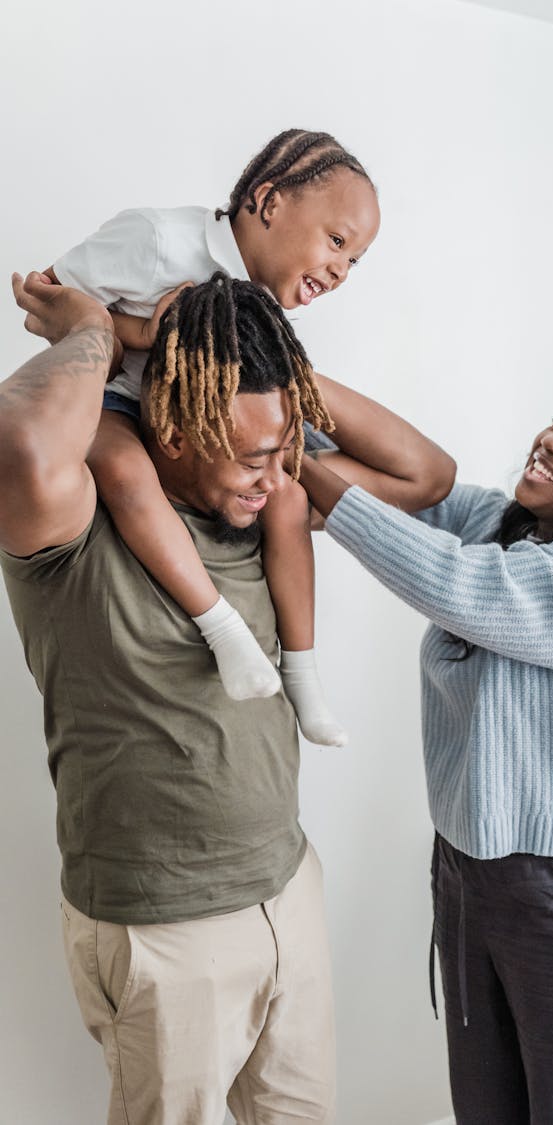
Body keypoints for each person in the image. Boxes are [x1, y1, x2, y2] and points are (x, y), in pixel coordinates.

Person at [0, 270, 456, 1125]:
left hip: (287, 886)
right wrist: (97, 330)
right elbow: (20, 441)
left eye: (285, 448)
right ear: (176, 418)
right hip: (164, 934)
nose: (275, 474)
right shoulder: (72, 518)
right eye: (252, 453)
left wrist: (272, 371)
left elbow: (425, 474)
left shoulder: (266, 497)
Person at [298, 384, 553, 1125]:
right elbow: (420, 475)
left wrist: (292, 458)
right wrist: (280, 379)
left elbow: (459, 584)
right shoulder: (504, 526)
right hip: (469, 879)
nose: (552, 438)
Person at [44, 127, 381, 746]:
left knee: (290, 498)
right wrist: (148, 333)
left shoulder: (268, 304)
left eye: (354, 260)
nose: (341, 270)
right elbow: (47, 297)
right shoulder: (157, 240)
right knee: (124, 474)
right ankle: (222, 628)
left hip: (201, 432)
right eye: (336, 242)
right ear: (271, 202)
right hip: (120, 402)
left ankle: (302, 672)